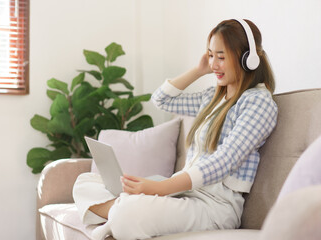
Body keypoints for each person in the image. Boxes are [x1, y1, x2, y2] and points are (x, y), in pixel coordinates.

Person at [72, 19, 278, 240]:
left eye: (221, 57)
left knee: (128, 212)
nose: (214, 65)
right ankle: (122, 209)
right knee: (84, 183)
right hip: (183, 193)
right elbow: (161, 99)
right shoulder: (211, 98)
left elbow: (225, 161)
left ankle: (121, 211)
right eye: (210, 56)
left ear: (248, 59)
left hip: (214, 206)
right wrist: (198, 71)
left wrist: (160, 189)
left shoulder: (258, 103)